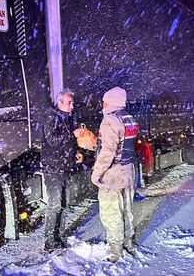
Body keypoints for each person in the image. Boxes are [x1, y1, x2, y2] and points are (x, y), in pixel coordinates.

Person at [91, 86, 138, 261]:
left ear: (111, 101)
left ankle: (115, 251)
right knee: (127, 210)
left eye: (104, 100)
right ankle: (128, 243)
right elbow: (123, 145)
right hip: (127, 171)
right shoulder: (129, 118)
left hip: (112, 174)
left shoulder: (110, 120)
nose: (102, 104)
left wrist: (97, 173)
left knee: (111, 212)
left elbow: (108, 151)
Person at [42, 88, 83, 251]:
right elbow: (53, 141)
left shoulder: (69, 118)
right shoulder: (51, 117)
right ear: (59, 103)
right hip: (53, 168)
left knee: (63, 203)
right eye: (69, 102)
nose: (72, 105)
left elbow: (70, 144)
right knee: (55, 204)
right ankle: (49, 241)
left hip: (65, 166)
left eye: (72, 102)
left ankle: (58, 236)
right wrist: (73, 134)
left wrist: (77, 152)